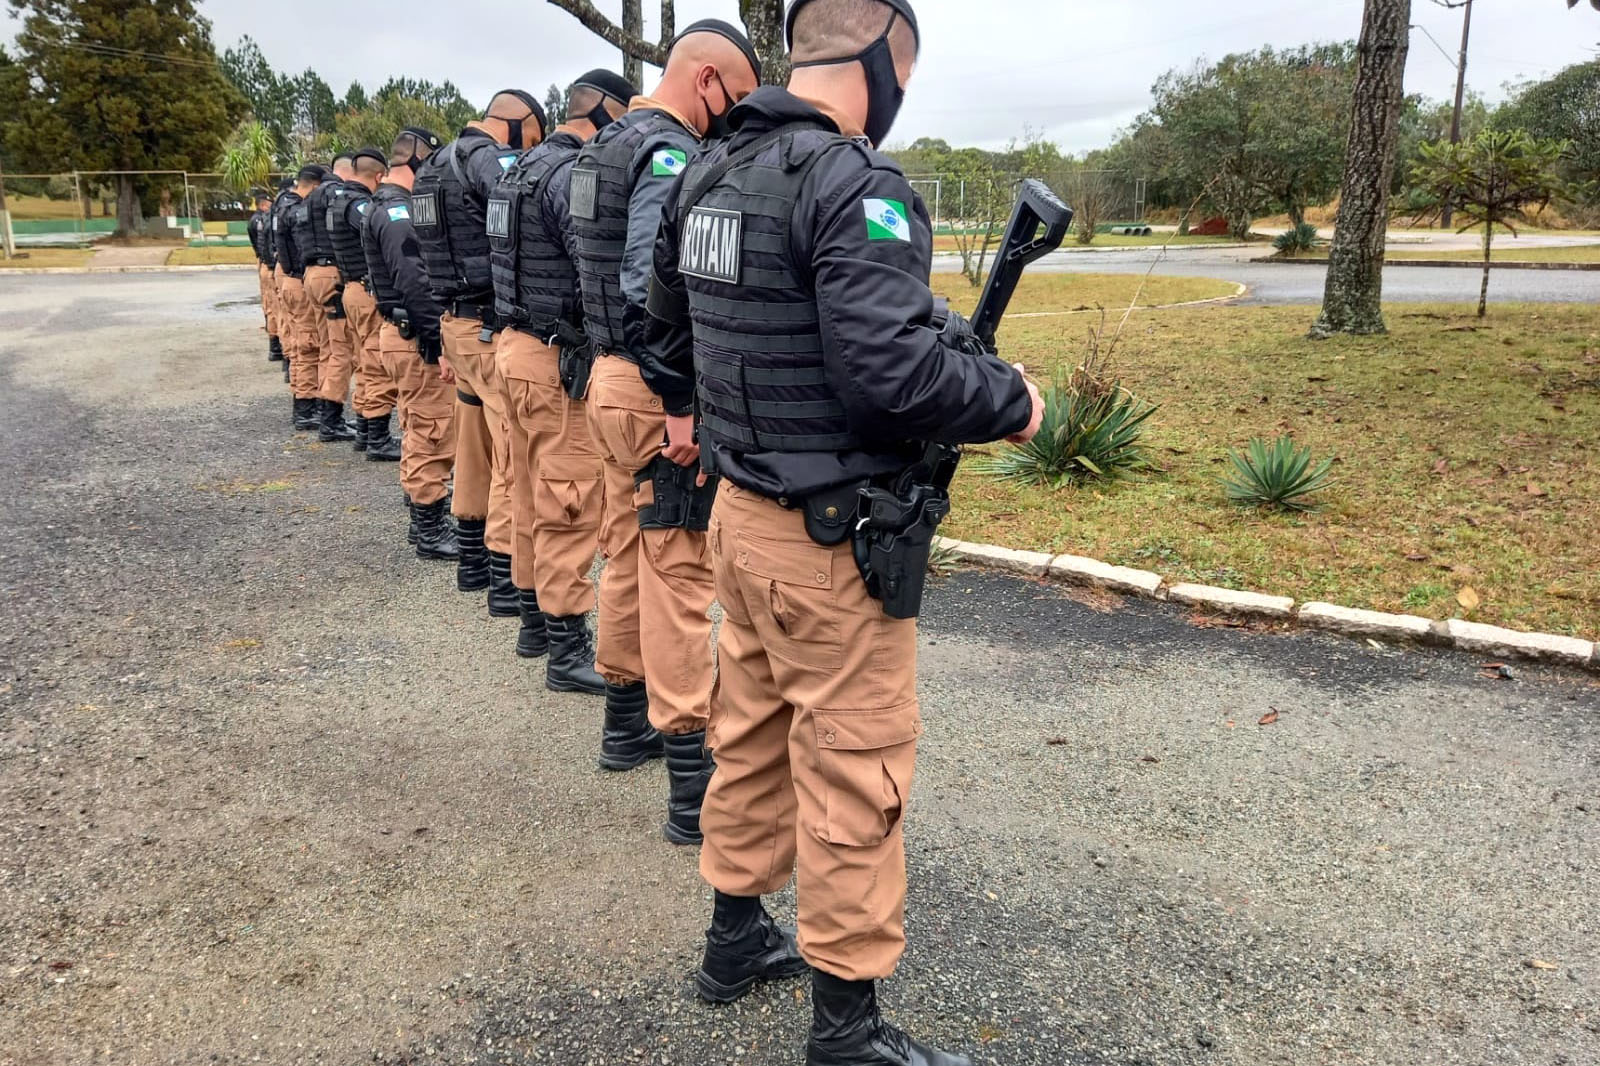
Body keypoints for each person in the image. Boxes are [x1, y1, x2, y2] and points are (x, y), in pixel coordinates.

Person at [642, 1, 1044, 1061]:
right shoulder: (852, 181)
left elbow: (661, 329)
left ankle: (735, 939)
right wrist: (1013, 401)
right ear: (884, 65)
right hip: (827, 545)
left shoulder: (707, 173)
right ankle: (847, 1028)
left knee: (752, 737)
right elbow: (893, 373)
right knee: (854, 768)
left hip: (739, 518)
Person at [570, 19, 761, 840]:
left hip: (605, 383)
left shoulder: (597, 149)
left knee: (625, 550)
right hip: (653, 392)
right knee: (679, 572)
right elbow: (651, 278)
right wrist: (681, 402)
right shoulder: (669, 152)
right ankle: (691, 782)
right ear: (708, 79)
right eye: (738, 101)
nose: (734, 120)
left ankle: (624, 723)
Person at [488, 70, 636, 686]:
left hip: (513, 348)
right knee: (568, 502)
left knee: (527, 490)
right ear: (606, 114)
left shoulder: (515, 172)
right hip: (554, 360)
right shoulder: (570, 175)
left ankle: (533, 620)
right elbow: (593, 264)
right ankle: (567, 647)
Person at [413, 91, 545, 613]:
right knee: (512, 455)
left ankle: (471, 560)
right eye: (533, 136)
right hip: (489, 327)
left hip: (456, 325)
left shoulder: (431, 168)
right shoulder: (488, 161)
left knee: (473, 449)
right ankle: (504, 576)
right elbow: (518, 228)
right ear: (518, 124)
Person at [362, 127, 459, 558]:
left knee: (418, 424)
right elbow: (415, 284)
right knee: (431, 430)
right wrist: (439, 345)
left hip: (401, 333)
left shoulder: (385, 205)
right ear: (418, 159)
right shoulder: (397, 210)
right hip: (414, 335)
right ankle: (429, 528)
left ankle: (422, 511)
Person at [330, 147, 401, 461]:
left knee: (364, 359)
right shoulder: (360, 205)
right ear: (378, 176)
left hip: (351, 288)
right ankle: (377, 437)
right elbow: (377, 234)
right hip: (365, 289)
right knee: (376, 362)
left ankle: (364, 429)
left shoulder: (337, 200)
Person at [303, 153, 360, 443]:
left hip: (312, 274)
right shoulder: (337, 193)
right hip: (331, 275)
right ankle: (331, 419)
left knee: (327, 346)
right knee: (343, 350)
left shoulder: (311, 197)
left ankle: (328, 413)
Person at [275, 166, 325, 430]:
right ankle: (306, 407)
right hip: (297, 279)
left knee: (299, 344)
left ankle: (304, 400)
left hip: (288, 278)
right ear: (315, 186)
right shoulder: (297, 211)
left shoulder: (283, 206)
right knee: (309, 345)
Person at [247, 190, 283, 364]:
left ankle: (276, 347)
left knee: (271, 306)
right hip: (271, 265)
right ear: (263, 204)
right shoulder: (263, 219)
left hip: (265, 263)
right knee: (278, 309)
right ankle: (278, 348)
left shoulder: (262, 219)